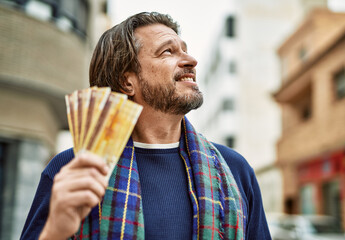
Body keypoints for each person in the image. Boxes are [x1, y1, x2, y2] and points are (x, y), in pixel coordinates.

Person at [21, 12, 271, 240]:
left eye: (185, 50)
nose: (191, 60)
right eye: (167, 52)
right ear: (127, 81)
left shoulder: (235, 169)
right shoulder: (72, 170)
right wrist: (55, 230)